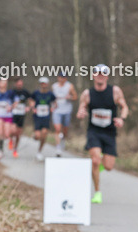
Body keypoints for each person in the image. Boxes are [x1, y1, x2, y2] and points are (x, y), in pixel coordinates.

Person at [76, 64, 128, 204]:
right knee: (94, 160)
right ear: (93, 75)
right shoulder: (87, 94)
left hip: (110, 132)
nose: (100, 75)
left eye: (103, 73)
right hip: (94, 132)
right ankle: (97, 193)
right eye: (97, 72)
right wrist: (81, 113)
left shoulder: (115, 91)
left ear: (107, 76)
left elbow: (124, 107)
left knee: (109, 167)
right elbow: (81, 109)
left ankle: (97, 166)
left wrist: (121, 119)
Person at [30, 77, 56, 160]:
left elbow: (55, 103)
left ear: (47, 84)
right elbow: (31, 100)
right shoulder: (36, 93)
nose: (43, 85)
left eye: (45, 83)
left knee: (44, 134)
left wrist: (53, 108)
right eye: (42, 83)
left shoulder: (50, 94)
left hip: (46, 116)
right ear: (40, 84)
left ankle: (39, 151)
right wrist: (32, 107)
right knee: (37, 136)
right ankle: (34, 136)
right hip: (37, 116)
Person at [51, 74, 78, 157]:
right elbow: (52, 98)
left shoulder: (69, 86)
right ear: (58, 78)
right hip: (57, 110)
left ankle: (63, 139)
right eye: (60, 77)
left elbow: (75, 97)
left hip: (66, 110)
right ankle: (58, 148)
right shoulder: (54, 86)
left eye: (63, 77)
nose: (62, 79)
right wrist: (52, 106)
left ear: (66, 78)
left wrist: (69, 97)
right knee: (57, 128)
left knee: (65, 129)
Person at [8, 78, 31, 158]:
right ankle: (10, 140)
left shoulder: (25, 92)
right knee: (13, 130)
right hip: (13, 114)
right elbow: (8, 102)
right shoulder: (12, 92)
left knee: (18, 134)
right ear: (15, 84)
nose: (20, 85)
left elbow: (31, 101)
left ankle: (15, 149)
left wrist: (29, 107)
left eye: (21, 84)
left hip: (21, 115)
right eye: (18, 84)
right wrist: (11, 106)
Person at [0, 78, 14, 155]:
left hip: (7, 115)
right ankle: (1, 151)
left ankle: (9, 141)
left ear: (6, 84)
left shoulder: (10, 93)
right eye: (2, 82)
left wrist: (11, 107)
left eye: (5, 82)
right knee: (0, 132)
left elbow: (16, 101)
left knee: (7, 134)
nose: (3, 84)